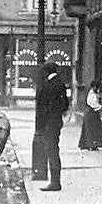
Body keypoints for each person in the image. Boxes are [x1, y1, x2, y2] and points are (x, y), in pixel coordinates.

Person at [34, 61, 70, 191]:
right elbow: (65, 104)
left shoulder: (50, 85)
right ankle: (55, 181)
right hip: (54, 122)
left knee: (51, 151)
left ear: (46, 72)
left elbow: (45, 105)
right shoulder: (59, 84)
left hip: (50, 124)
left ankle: (55, 182)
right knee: (52, 150)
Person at [79, 81, 102, 150]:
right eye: (96, 87)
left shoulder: (96, 94)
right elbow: (93, 104)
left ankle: (94, 144)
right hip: (91, 113)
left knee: (95, 129)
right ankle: (90, 145)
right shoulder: (91, 94)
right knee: (91, 129)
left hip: (94, 113)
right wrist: (101, 106)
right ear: (93, 87)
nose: (97, 88)